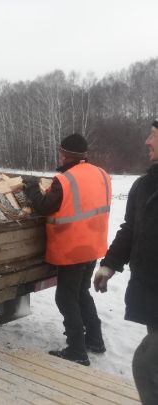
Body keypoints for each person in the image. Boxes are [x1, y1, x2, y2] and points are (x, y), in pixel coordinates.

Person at [24, 133, 111, 366]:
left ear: (66, 155)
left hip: (73, 248)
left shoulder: (64, 181)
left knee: (65, 297)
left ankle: (76, 350)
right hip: (93, 245)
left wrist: (31, 187)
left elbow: (44, 206)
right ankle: (95, 340)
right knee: (81, 292)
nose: (59, 156)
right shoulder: (101, 174)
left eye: (60, 152)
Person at [94, 119, 158, 404]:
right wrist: (109, 265)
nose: (146, 141)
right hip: (152, 296)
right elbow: (131, 230)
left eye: (154, 136)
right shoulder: (144, 186)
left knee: (146, 366)